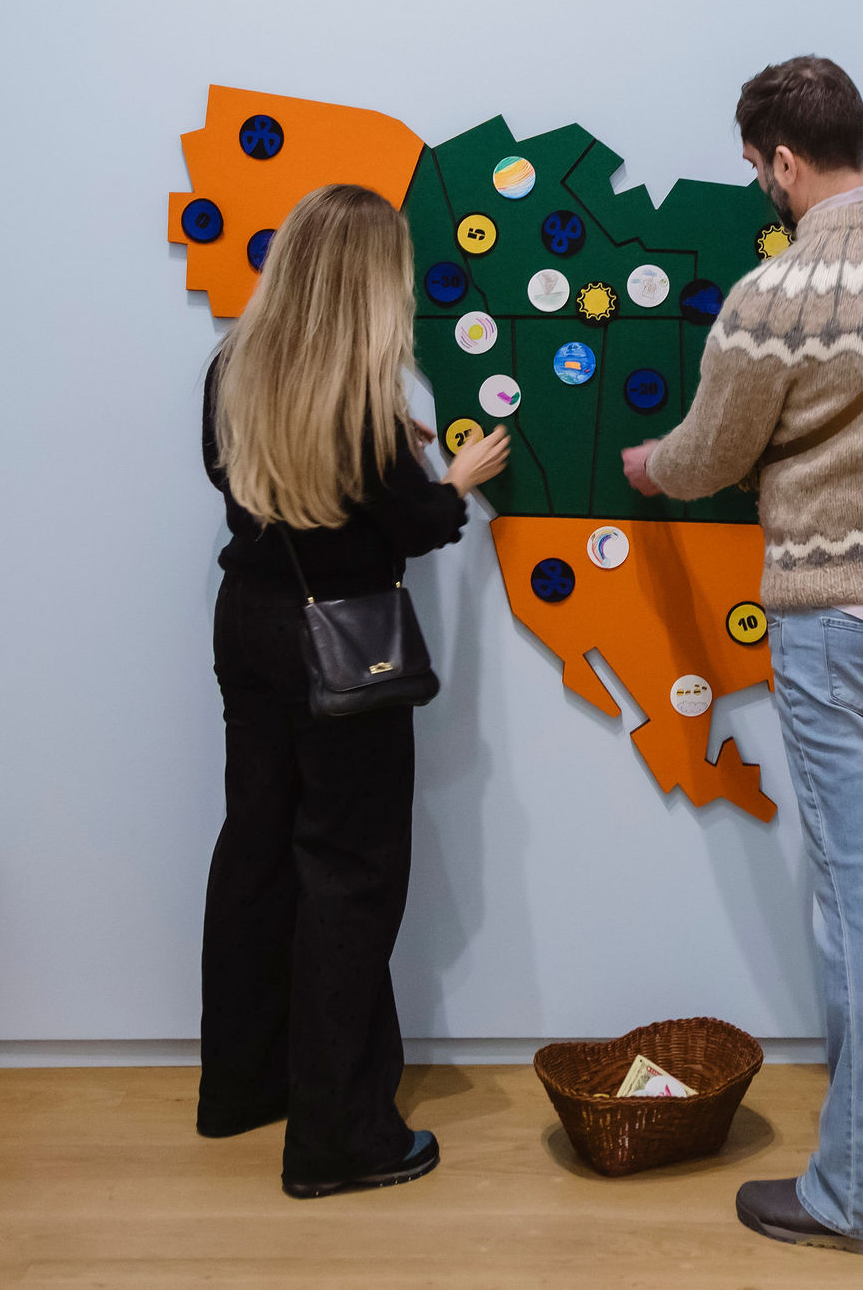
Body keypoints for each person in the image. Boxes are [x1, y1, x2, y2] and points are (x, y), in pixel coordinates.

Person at [623, 56, 863, 1259]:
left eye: (757, 169)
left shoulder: (773, 296)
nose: (761, 189)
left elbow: (708, 454)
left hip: (837, 623)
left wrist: (648, 466)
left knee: (856, 903)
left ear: (782, 160)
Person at [198, 183, 509, 1198]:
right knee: (350, 873)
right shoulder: (364, 399)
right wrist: (455, 478)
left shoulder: (233, 367)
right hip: (341, 647)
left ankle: (243, 1085)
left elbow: (237, 480)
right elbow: (415, 524)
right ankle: (338, 1138)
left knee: (256, 849)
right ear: (374, 284)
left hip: (248, 627)